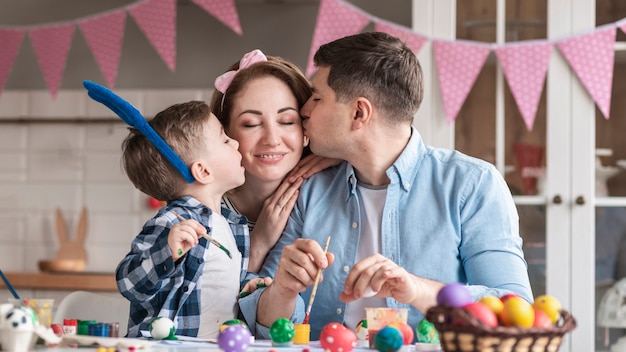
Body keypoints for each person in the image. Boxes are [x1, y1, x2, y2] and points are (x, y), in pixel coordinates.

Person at [239, 31, 534, 340]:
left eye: (316, 97)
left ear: (358, 113)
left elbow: (516, 309)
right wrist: (283, 291)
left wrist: (417, 289)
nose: (304, 111)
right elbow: (261, 322)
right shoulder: (310, 188)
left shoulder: (471, 185)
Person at [115, 100, 251, 338]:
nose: (236, 142)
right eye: (225, 140)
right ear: (203, 171)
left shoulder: (232, 225)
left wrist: (250, 287)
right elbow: (128, 282)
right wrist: (166, 252)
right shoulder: (173, 221)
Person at [209, 49, 336, 273]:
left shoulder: (328, 192)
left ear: (306, 126)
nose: (272, 139)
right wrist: (258, 245)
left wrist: (338, 154)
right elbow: (208, 302)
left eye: (287, 121)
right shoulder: (205, 212)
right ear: (225, 132)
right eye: (251, 124)